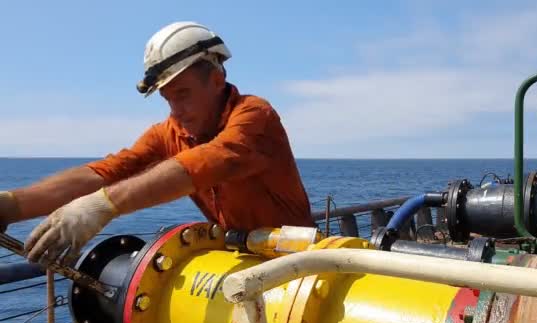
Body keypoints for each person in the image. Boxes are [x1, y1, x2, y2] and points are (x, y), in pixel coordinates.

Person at [0, 21, 314, 264]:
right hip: (245, 258)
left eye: (183, 94)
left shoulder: (255, 114)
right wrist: (11, 206)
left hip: (300, 259)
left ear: (217, 80)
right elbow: (106, 172)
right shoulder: (169, 132)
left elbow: (215, 158)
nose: (176, 110)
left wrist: (103, 206)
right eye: (168, 98)